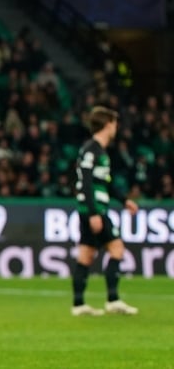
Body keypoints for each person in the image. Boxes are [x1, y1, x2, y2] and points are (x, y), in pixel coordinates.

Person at [71, 106, 139, 316]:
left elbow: (104, 183)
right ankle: (113, 299)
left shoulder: (98, 151)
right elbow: (87, 182)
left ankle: (79, 304)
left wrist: (124, 200)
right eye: (114, 123)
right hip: (95, 209)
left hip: (92, 208)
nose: (116, 128)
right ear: (107, 125)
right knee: (117, 248)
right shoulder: (92, 150)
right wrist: (93, 213)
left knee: (86, 255)